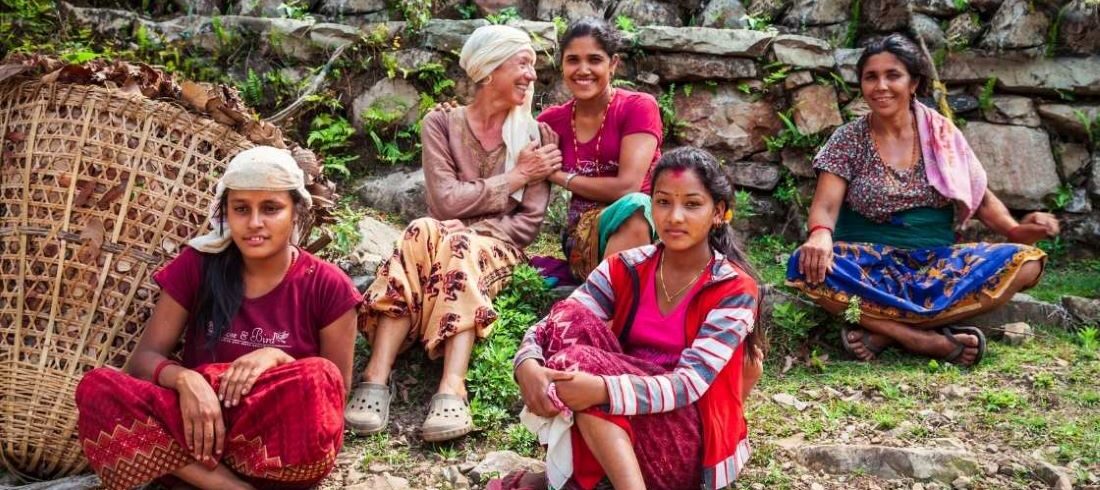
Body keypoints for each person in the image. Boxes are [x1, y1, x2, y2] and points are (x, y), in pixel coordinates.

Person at [74, 146, 362, 490]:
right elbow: (142, 361)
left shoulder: (327, 284)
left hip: (278, 444)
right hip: (197, 431)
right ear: (225, 212)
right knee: (98, 388)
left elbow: (334, 393)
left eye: (271, 208)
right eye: (241, 209)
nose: (254, 223)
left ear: (296, 213)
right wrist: (185, 381)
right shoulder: (198, 265)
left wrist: (277, 357)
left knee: (318, 374)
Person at [786, 33, 1059, 366]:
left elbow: (984, 203)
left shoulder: (942, 134)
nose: (881, 86)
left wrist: (1024, 230)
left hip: (935, 263)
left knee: (1028, 263)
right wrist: (819, 235)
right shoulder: (848, 139)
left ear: (913, 82)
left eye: (893, 75)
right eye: (871, 77)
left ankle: (888, 333)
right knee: (805, 264)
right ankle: (923, 339)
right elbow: (826, 205)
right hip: (870, 266)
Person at [345, 24, 561, 442]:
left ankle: (452, 387)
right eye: (523, 64)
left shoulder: (537, 137)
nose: (532, 76)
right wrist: (516, 175)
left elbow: (529, 222)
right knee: (422, 227)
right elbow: (444, 203)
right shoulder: (441, 124)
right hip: (436, 238)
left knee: (454, 238)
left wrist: (474, 225)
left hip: (499, 246)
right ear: (488, 69)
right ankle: (375, 376)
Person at [511, 147, 764, 490]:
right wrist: (526, 363)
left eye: (692, 204)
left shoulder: (733, 288)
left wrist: (601, 389)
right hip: (624, 419)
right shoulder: (626, 267)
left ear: (718, 212)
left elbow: (687, 385)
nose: (675, 217)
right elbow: (557, 322)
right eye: (663, 202)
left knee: (578, 364)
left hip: (687, 442)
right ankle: (596, 476)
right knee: (569, 320)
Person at [536, 17, 664, 281]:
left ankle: (606, 306)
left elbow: (627, 186)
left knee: (636, 206)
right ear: (562, 65)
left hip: (645, 229)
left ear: (613, 63)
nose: (583, 70)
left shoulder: (638, 108)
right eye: (573, 60)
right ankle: (608, 302)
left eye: (594, 59)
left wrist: (560, 177)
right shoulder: (551, 122)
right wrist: (455, 117)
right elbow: (508, 149)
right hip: (582, 238)